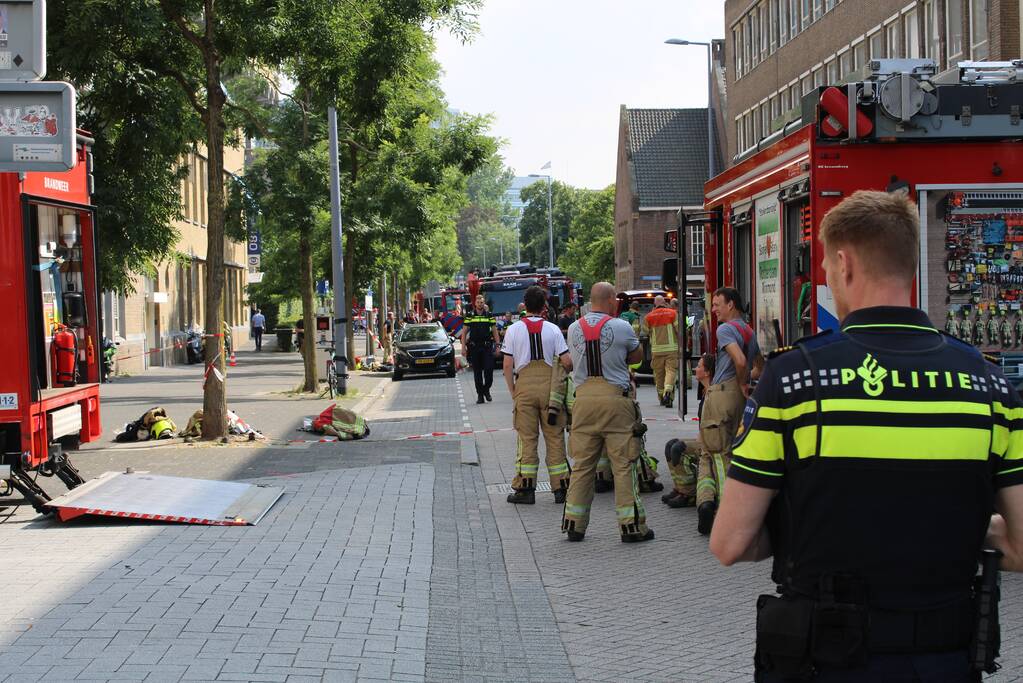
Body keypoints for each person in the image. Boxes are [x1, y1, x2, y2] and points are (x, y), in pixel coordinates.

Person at [711, 190, 1023, 682]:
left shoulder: (794, 379)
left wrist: (803, 530)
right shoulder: (990, 385)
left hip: (826, 659)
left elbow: (731, 542)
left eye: (826, 270)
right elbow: (1021, 545)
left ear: (844, 262)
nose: (829, 281)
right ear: (909, 263)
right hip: (944, 661)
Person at [562, 282, 653, 543]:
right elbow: (635, 357)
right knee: (623, 465)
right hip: (615, 402)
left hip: (584, 403)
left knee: (582, 467)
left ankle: (574, 524)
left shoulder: (574, 328)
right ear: (612, 300)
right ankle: (631, 526)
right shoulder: (621, 327)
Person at [501, 286, 573, 505]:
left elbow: (507, 365)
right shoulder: (552, 329)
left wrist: (514, 391)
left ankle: (525, 489)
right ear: (544, 306)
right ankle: (560, 489)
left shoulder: (513, 329)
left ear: (524, 304)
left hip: (524, 388)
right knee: (554, 438)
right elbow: (568, 362)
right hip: (550, 390)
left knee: (527, 439)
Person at [698, 286, 760, 534]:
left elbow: (741, 361)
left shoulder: (725, 330)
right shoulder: (749, 331)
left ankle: (726, 515)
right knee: (734, 454)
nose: (713, 310)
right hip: (739, 399)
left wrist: (739, 380)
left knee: (718, 455)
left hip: (722, 396)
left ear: (730, 305)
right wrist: (744, 384)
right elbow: (759, 367)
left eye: (716, 304)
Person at [662, 351, 715, 509]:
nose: (695, 369)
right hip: (703, 439)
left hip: (710, 443)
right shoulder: (706, 391)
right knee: (670, 445)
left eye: (698, 366)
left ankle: (689, 494)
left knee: (679, 449)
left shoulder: (714, 394)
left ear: (707, 372)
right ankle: (680, 488)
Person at [461, 294, 500, 404]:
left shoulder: (489, 315)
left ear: (484, 303)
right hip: (474, 347)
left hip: (487, 347)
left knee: (489, 370)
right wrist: (463, 347)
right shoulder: (470, 315)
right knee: (477, 373)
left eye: (482, 302)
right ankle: (480, 395)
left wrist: (498, 346)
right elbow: (464, 332)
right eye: (478, 302)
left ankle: (486, 389)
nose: (480, 304)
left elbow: (494, 331)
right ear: (475, 304)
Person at [642, 295, 680, 408]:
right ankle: (668, 392)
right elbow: (679, 331)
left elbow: (645, 331)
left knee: (658, 375)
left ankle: (661, 398)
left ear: (654, 304)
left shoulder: (649, 317)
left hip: (656, 350)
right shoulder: (673, 313)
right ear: (665, 302)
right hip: (671, 349)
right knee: (671, 371)